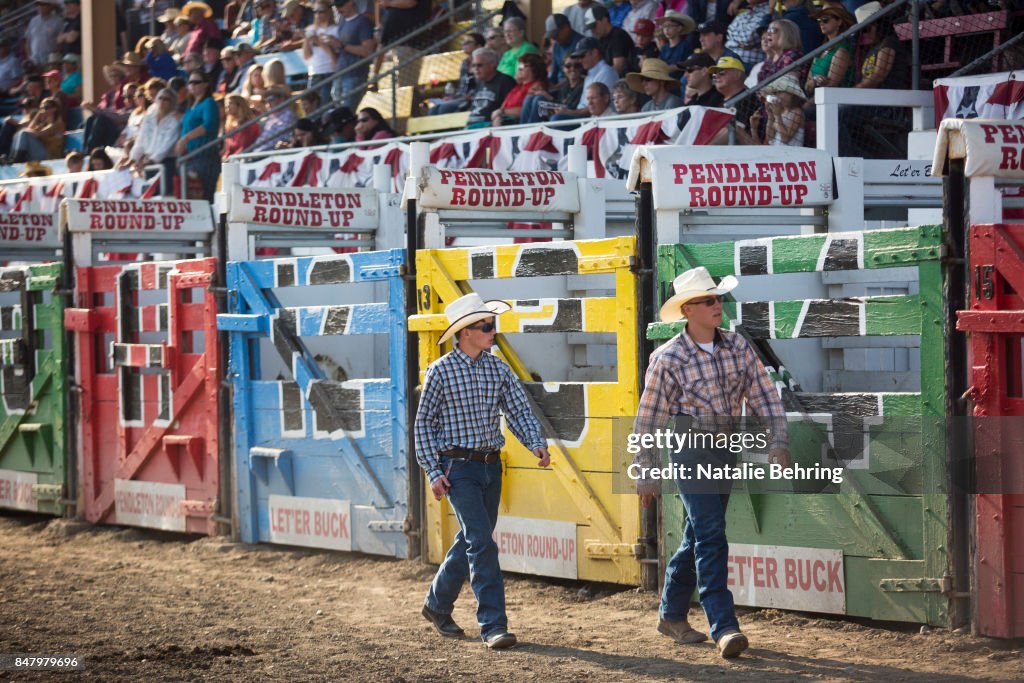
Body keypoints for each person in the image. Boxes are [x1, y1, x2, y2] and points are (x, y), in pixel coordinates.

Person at [632, 266, 788, 660]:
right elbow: (648, 418)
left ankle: (670, 614)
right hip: (689, 449)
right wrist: (646, 469)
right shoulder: (667, 359)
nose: (717, 305)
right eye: (707, 300)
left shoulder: (738, 347)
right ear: (687, 310)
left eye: (717, 298)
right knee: (711, 534)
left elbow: (765, 398)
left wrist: (778, 440)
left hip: (725, 448)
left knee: (699, 534)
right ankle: (725, 625)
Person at [416, 293, 551, 651]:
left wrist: (535, 442)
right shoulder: (440, 371)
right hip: (457, 468)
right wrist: (433, 471)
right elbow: (423, 424)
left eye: (492, 325)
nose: (493, 331)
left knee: (472, 540)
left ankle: (436, 605)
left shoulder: (498, 368)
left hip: (492, 467)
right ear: (465, 333)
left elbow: (519, 410)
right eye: (486, 326)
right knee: (482, 544)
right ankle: (493, 625)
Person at [175, 71, 221, 200]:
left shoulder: (209, 103)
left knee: (205, 196)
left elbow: (209, 125)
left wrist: (186, 138)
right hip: (189, 158)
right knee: (190, 198)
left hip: (204, 157)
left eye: (196, 82)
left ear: (205, 84)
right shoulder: (190, 108)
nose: (192, 85)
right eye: (190, 82)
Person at [805, 5, 855, 106]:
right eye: (819, 21)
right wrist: (814, 80)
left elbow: (831, 86)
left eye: (825, 20)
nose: (821, 24)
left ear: (839, 22)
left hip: (833, 103)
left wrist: (806, 105)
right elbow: (807, 86)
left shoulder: (842, 50)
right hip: (816, 101)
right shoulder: (820, 51)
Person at [332, 0, 377, 111]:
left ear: (350, 3)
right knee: (339, 111)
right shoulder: (342, 21)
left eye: (340, 5)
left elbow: (368, 50)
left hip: (355, 74)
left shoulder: (363, 22)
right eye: (336, 6)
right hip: (341, 72)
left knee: (347, 111)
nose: (338, 9)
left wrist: (342, 46)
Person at [126, 87, 181, 173]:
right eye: (160, 98)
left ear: (172, 103)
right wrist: (132, 160)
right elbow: (141, 140)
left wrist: (151, 161)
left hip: (166, 163)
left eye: (166, 99)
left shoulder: (173, 122)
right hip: (148, 161)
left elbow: (166, 146)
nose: (162, 102)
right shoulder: (148, 119)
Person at [429, 33, 484, 115]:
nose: (464, 44)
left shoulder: (483, 61)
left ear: (479, 46)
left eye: (468, 42)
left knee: (444, 109)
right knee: (433, 110)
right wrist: (454, 97)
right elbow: (462, 87)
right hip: (462, 98)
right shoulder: (465, 63)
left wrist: (466, 97)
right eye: (463, 42)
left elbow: (482, 85)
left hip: (475, 98)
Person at [708, 56, 757, 143]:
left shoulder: (747, 98)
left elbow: (735, 130)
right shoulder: (720, 103)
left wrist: (701, 147)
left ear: (737, 75)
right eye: (714, 75)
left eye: (722, 72)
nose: (717, 77)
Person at [492, 53, 548, 126]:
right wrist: (498, 116)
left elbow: (526, 111)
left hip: (519, 124)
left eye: (524, 66)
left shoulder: (537, 86)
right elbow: (501, 108)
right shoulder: (518, 87)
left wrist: (502, 112)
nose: (519, 68)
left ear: (535, 69)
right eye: (519, 65)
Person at [466, 48, 516, 127]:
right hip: (471, 128)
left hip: (490, 129)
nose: (475, 69)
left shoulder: (505, 81)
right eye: (473, 65)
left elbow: (511, 112)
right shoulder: (479, 82)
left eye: (479, 65)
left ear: (493, 64)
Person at [750, 75, 806, 146]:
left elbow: (785, 139)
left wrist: (777, 116)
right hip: (778, 152)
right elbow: (770, 138)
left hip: (792, 154)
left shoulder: (797, 112)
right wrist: (770, 114)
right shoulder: (781, 112)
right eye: (776, 92)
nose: (777, 95)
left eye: (780, 91)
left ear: (792, 94)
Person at [303, 1, 341, 104]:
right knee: (312, 107)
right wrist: (307, 40)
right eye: (315, 12)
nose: (318, 15)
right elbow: (306, 56)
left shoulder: (336, 29)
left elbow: (335, 58)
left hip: (329, 73)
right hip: (314, 74)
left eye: (321, 11)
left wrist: (319, 42)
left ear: (329, 12)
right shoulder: (311, 29)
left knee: (325, 106)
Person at [10, 97, 64, 162]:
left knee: (24, 133)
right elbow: (29, 129)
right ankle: (12, 158)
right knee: (18, 133)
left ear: (54, 109)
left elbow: (37, 135)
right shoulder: (43, 123)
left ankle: (16, 160)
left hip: (50, 155)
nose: (43, 110)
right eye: (41, 108)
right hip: (41, 152)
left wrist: (27, 130)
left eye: (46, 107)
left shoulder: (58, 124)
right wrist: (37, 115)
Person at [586, 5, 635, 76]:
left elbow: (618, 68)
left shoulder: (618, 36)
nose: (593, 30)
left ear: (604, 20)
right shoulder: (601, 38)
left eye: (594, 26)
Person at [755, 19, 806, 87]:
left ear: (786, 34)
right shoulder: (770, 59)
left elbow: (786, 89)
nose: (768, 34)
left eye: (773, 30)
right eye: (768, 30)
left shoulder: (793, 56)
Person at [725, 0, 771, 69]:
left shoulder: (769, 11)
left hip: (751, 65)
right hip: (731, 62)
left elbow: (748, 37)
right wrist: (739, 44)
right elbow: (728, 32)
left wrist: (733, 41)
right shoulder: (746, 12)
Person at [252, 85, 298, 150]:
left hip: (273, 152)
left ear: (281, 99)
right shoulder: (269, 118)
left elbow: (281, 139)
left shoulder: (288, 115)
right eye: (265, 100)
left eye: (271, 99)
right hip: (260, 152)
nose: (268, 103)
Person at [545, 15, 582, 88]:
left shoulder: (580, 44)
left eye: (556, 34)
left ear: (566, 27)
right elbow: (554, 74)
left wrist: (555, 87)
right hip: (558, 86)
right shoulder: (556, 46)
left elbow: (578, 75)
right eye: (552, 36)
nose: (554, 38)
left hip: (573, 87)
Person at [26, 0, 63, 70]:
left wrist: (55, 58)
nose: (40, 6)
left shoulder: (58, 21)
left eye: (43, 4)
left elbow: (61, 43)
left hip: (50, 61)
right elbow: (28, 40)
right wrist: (29, 57)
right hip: (34, 61)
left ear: (50, 6)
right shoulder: (33, 21)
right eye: (38, 4)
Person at [222, 93, 260, 158]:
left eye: (230, 103)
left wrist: (231, 158)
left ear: (239, 105)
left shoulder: (249, 125)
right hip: (233, 159)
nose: (227, 106)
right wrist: (225, 157)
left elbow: (244, 146)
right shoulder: (230, 126)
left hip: (245, 159)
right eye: (226, 103)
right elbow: (229, 148)